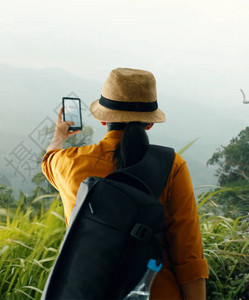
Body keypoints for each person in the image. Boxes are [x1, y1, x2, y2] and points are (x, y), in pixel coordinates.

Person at [41, 68, 209, 299]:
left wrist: (59, 135)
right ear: (149, 124)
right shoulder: (172, 166)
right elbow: (188, 257)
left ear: (103, 119)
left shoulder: (69, 163)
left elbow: (48, 158)